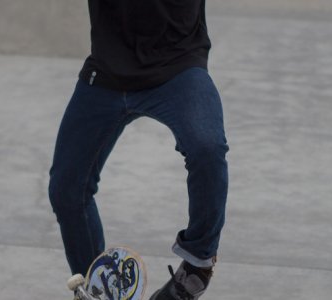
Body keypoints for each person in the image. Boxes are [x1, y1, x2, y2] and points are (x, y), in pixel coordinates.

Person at [48, 0, 229, 299]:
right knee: (67, 188)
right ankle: (99, 288)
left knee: (207, 147)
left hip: (178, 66)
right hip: (107, 72)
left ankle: (198, 264)